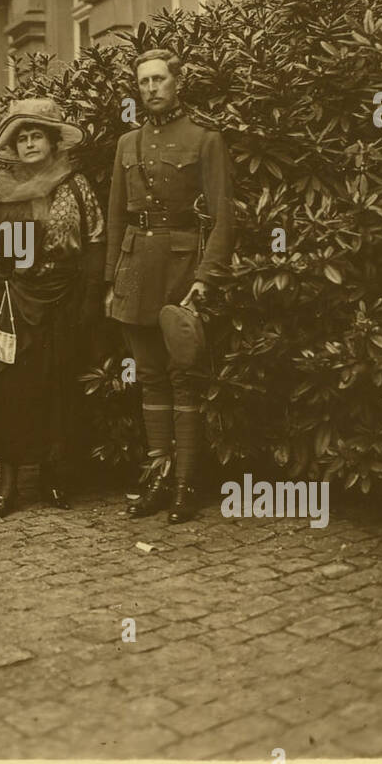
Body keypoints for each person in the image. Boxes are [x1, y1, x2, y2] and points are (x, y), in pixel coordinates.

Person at [105, 48, 235, 525]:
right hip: (136, 270)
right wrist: (110, 281)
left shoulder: (205, 139)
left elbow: (223, 216)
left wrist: (205, 278)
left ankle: (186, 484)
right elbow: (116, 216)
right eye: (144, 82)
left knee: (184, 378)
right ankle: (158, 479)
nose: (152, 88)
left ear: (178, 83)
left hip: (183, 269)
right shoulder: (126, 144)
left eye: (160, 79)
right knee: (150, 376)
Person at [0, 97, 105, 518]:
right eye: (23, 138)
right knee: (10, 388)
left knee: (58, 387)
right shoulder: (4, 192)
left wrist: (89, 299)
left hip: (65, 299)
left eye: (38, 136)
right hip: (16, 301)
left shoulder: (76, 186)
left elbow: (95, 241)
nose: (30, 143)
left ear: (54, 143)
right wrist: (2, 281)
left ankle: (54, 477)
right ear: (14, 147)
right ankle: (8, 484)